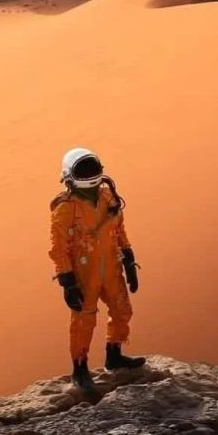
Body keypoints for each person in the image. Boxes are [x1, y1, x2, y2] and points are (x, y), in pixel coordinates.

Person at [49, 147, 144, 395]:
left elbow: (118, 228)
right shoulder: (66, 209)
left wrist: (129, 259)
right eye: (85, 170)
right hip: (84, 273)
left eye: (92, 169)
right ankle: (79, 369)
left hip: (110, 266)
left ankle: (114, 354)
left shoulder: (107, 198)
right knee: (84, 321)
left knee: (122, 310)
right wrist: (67, 281)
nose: (90, 176)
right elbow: (58, 248)